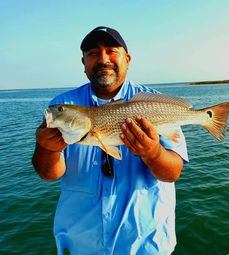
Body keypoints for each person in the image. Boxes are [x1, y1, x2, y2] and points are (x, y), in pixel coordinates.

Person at [32, 26, 189, 255]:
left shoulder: (154, 104)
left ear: (127, 58)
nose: (103, 59)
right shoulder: (63, 105)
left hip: (144, 243)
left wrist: (153, 152)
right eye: (93, 53)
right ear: (83, 62)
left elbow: (172, 173)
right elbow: (49, 174)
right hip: (81, 244)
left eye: (111, 51)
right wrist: (47, 149)